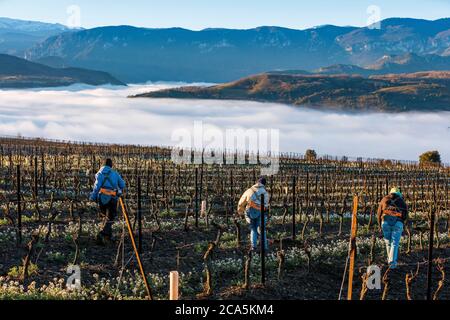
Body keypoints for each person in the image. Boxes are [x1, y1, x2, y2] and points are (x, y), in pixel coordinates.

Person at [90, 158, 126, 245]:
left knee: (105, 217)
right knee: (111, 217)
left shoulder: (99, 174)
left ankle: (107, 238)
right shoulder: (115, 173)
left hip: (101, 198)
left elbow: (96, 187)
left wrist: (93, 197)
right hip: (112, 198)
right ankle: (102, 234)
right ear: (111, 165)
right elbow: (123, 185)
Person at [377, 187, 408, 269]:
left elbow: (378, 213)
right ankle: (392, 263)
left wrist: (380, 224)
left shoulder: (384, 199)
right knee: (395, 243)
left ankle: (389, 261)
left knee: (388, 242)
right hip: (398, 222)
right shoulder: (402, 201)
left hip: (385, 222)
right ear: (398, 194)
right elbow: (405, 215)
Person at [238, 177, 270, 252]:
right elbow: (266, 206)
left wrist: (240, 211)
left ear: (257, 182)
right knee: (262, 229)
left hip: (250, 211)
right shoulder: (265, 193)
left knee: (253, 229)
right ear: (264, 184)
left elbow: (241, 202)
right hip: (261, 212)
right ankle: (264, 246)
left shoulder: (249, 190)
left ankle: (253, 246)